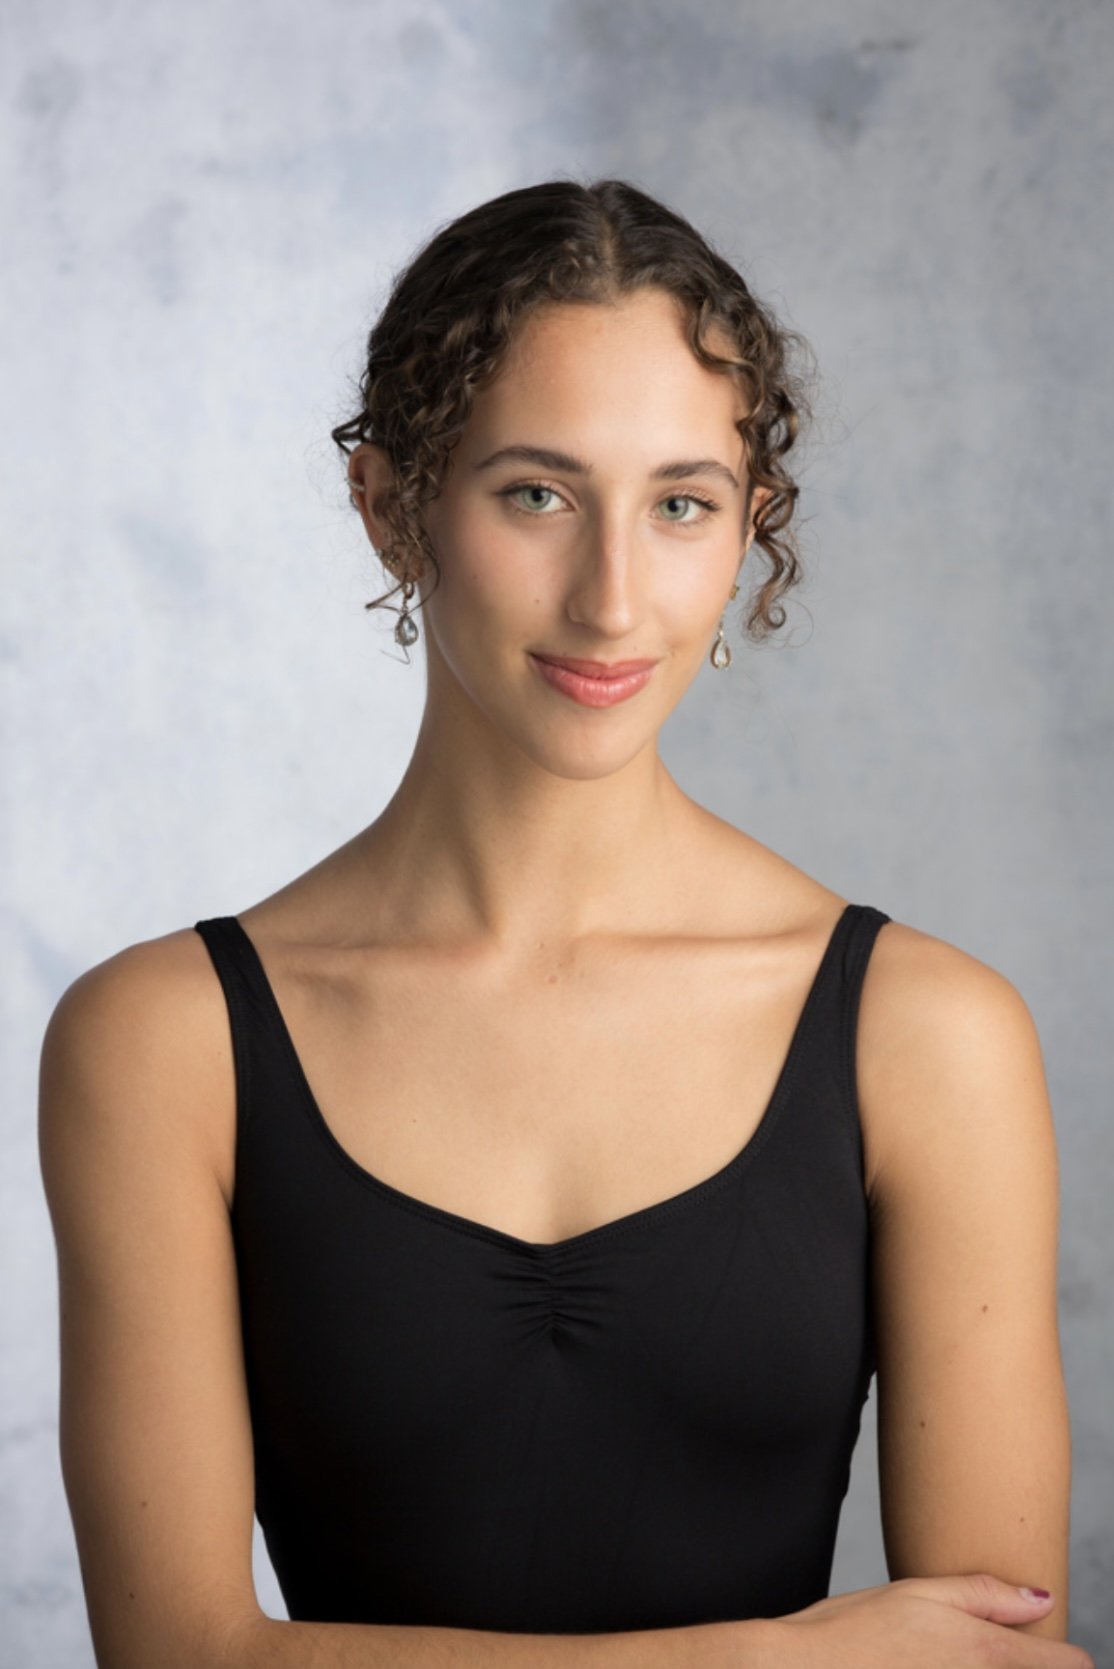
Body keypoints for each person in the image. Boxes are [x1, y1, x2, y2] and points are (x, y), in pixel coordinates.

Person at [38, 177, 1089, 1669]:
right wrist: (770, 1659)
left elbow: (990, 1656)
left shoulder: (928, 1034)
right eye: (535, 492)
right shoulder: (162, 1041)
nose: (610, 599)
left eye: (679, 504)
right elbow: (180, 1658)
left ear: (748, 530)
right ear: (392, 504)